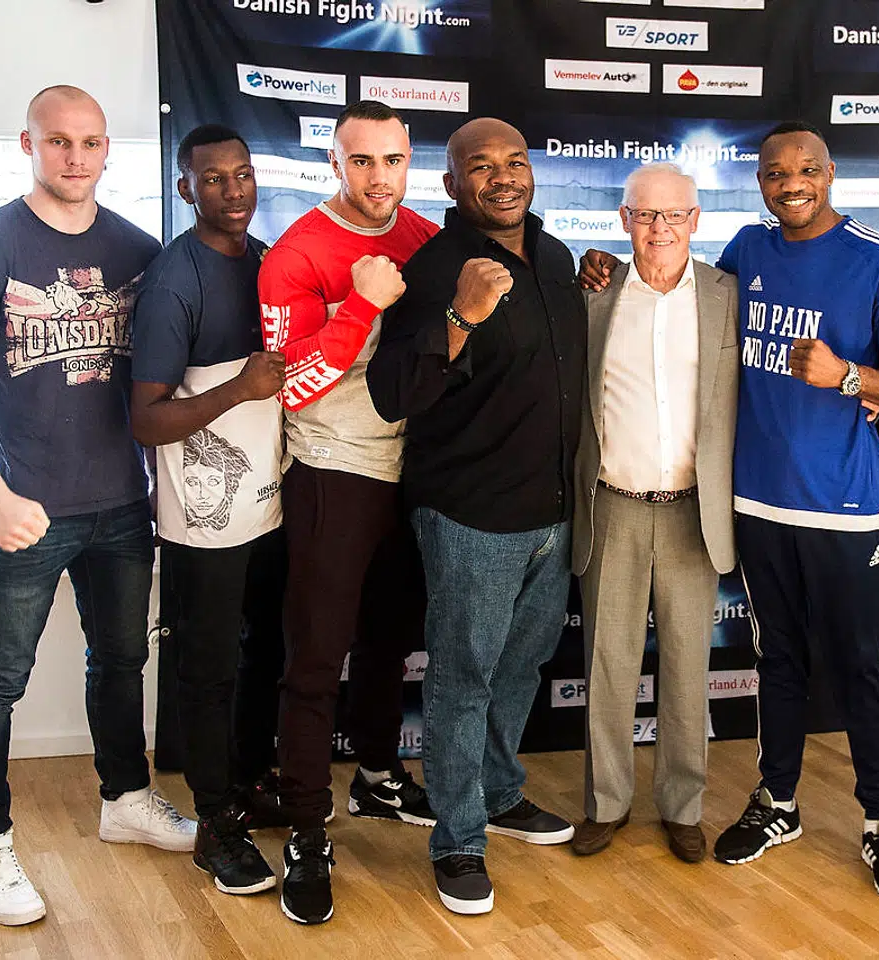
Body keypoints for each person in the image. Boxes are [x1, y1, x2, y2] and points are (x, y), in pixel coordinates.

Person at [585, 120, 879, 902]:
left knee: (860, 670)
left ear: (830, 172)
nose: (791, 182)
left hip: (844, 507)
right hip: (755, 505)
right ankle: (778, 801)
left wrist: (853, 378)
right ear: (762, 184)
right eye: (776, 172)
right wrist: (601, 269)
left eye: (805, 168)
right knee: (774, 662)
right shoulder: (745, 255)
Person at [0, 86, 196, 928]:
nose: (75, 157)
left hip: (124, 506)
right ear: (29, 145)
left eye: (89, 142)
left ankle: (124, 798)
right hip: (29, 511)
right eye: (58, 142)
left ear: (109, 149)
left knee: (120, 664)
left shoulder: (139, 249)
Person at [369, 117, 585, 917]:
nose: (503, 177)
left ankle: (499, 793)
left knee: (520, 670)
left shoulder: (557, 256)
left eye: (516, 161)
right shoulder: (433, 269)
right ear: (452, 184)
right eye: (480, 166)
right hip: (469, 516)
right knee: (462, 682)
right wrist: (459, 317)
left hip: (553, 515)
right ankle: (457, 839)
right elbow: (395, 393)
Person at [257, 100, 439, 925]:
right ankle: (303, 826)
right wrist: (360, 305)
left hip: (415, 474)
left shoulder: (424, 239)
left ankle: (374, 775)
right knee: (315, 656)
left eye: (392, 161)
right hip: (335, 472)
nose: (379, 179)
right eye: (361, 162)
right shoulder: (298, 253)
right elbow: (289, 383)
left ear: (409, 162)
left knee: (390, 642)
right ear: (335, 165)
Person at [129, 124, 286, 896]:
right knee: (208, 669)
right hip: (204, 518)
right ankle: (214, 825)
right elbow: (145, 420)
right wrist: (237, 390)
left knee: (264, 656)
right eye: (213, 179)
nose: (234, 191)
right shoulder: (172, 280)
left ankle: (250, 785)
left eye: (244, 174)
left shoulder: (266, 262)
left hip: (269, 502)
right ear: (186, 188)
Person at [569, 164, 738, 864]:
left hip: (695, 511)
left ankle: (682, 805)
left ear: (696, 220)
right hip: (613, 504)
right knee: (607, 663)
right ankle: (606, 803)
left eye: (673, 215)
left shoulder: (727, 295)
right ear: (623, 219)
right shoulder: (595, 295)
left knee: (687, 667)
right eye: (645, 215)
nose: (659, 228)